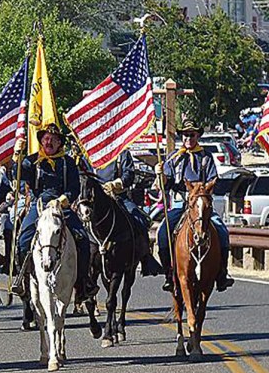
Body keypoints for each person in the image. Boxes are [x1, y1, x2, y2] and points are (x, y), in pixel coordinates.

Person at [10, 123, 95, 298]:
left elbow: (74, 188)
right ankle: (22, 278)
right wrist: (17, 156)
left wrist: (63, 200)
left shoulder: (68, 163)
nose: (49, 142)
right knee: (23, 239)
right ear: (41, 141)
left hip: (61, 206)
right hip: (38, 206)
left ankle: (83, 283)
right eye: (46, 139)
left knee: (83, 239)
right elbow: (18, 176)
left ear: (59, 143)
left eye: (53, 139)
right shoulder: (31, 161)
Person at [154, 120, 234, 293]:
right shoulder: (173, 158)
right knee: (162, 233)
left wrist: (201, 190)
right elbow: (165, 185)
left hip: (201, 205)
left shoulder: (206, 157)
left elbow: (213, 179)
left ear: (197, 136)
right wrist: (161, 175)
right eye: (185, 135)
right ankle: (169, 274)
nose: (188, 138)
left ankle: (222, 272)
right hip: (180, 203)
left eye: (191, 135)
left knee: (221, 230)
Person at [87, 149, 162, 276]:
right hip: (96, 200)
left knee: (140, 220)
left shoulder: (122, 153)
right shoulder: (92, 152)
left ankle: (146, 258)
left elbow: (129, 174)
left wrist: (116, 184)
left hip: (119, 197)